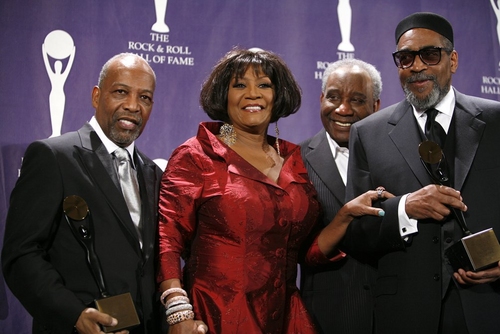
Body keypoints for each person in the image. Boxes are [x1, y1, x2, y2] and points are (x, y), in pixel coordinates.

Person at [156, 48, 390, 334]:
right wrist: (178, 312)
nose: (253, 94)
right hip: (219, 315)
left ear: (278, 95)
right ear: (223, 95)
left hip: (286, 317)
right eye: (240, 85)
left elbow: (306, 252)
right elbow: (167, 239)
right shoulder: (199, 153)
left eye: (264, 85)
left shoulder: (293, 158)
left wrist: (344, 216)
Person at [343, 12, 500, 334]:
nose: (416, 66)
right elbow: (355, 231)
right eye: (405, 58)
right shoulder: (367, 133)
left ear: (452, 60)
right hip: (405, 312)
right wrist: (404, 208)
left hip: (489, 304)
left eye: (429, 54)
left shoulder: (496, 121)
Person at [2, 53, 163, 334]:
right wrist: (75, 315)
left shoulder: (154, 173)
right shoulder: (53, 156)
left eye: (145, 98)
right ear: (96, 96)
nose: (132, 106)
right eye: (121, 92)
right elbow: (21, 255)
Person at [299, 58, 382, 334]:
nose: (343, 109)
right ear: (321, 98)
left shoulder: (397, 155)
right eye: (333, 97)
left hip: (395, 312)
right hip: (328, 316)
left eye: (357, 99)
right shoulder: (293, 160)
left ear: (376, 106)